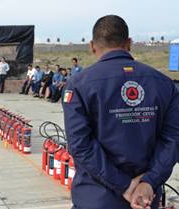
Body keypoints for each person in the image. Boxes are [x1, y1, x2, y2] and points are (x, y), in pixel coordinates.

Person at [62, 15, 179, 209]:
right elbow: (173, 139)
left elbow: (80, 145)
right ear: (129, 43)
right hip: (145, 199)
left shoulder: (79, 84)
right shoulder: (164, 83)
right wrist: (148, 182)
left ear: (92, 46)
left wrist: (125, 185)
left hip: (97, 198)